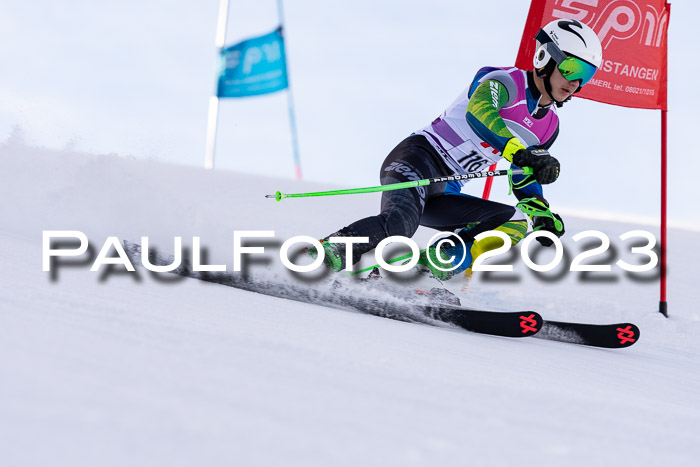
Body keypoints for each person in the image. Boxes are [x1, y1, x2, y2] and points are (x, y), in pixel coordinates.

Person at [312, 19, 603, 280]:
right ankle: (321, 257)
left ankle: (419, 274)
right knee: (400, 224)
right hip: (418, 159)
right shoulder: (503, 80)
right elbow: (479, 113)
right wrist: (520, 151)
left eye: (585, 75)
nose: (575, 82)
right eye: (571, 68)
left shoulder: (549, 126)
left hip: (446, 190)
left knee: (513, 224)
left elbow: (521, 174)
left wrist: (540, 212)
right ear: (545, 58)